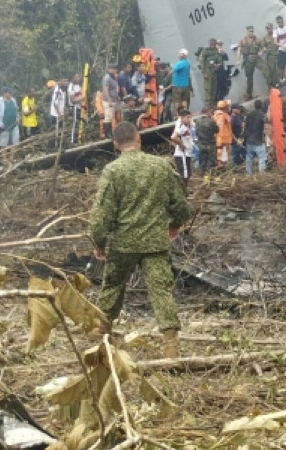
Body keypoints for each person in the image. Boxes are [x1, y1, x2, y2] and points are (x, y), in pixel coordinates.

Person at [89, 122, 191, 359]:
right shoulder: (161, 166)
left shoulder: (113, 171)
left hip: (123, 243)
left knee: (113, 285)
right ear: (139, 139)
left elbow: (102, 212)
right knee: (161, 291)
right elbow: (179, 203)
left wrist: (98, 242)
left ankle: (101, 330)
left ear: (116, 144)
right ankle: (170, 345)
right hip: (155, 242)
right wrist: (175, 224)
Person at [197, 39, 223, 109]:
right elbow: (201, 61)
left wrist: (218, 65)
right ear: (209, 44)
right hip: (207, 71)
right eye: (211, 45)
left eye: (214, 45)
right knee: (208, 89)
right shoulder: (205, 51)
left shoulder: (216, 51)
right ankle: (208, 105)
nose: (213, 46)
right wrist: (204, 72)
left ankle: (212, 103)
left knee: (214, 88)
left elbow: (219, 60)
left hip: (214, 71)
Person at [169, 110, 195, 182]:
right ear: (182, 118)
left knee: (188, 174)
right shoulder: (181, 126)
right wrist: (181, 144)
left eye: (190, 118)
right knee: (184, 175)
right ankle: (183, 190)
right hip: (182, 154)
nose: (189, 119)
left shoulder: (189, 125)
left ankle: (185, 190)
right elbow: (173, 137)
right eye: (187, 118)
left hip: (187, 153)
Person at [244, 100, 268, 174]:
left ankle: (248, 173)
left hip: (249, 139)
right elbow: (266, 124)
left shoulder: (249, 114)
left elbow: (245, 126)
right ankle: (261, 173)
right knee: (262, 156)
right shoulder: (262, 115)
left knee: (249, 157)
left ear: (254, 106)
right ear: (261, 106)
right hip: (258, 139)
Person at [237, 26, 261, 100]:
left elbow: (262, 47)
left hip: (256, 58)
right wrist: (237, 60)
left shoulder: (257, 39)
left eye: (252, 31)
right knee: (249, 77)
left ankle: (271, 86)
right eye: (250, 31)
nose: (251, 32)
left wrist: (261, 51)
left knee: (265, 69)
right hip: (248, 59)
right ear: (247, 32)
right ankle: (249, 94)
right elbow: (239, 50)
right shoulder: (243, 40)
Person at [193, 108, 218, 177]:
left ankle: (201, 175)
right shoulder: (211, 121)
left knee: (202, 161)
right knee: (212, 162)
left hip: (201, 144)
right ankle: (211, 176)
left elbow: (196, 131)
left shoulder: (197, 122)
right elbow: (217, 130)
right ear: (208, 112)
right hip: (210, 144)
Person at [102, 64, 122, 136]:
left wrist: (117, 96)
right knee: (108, 117)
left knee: (111, 116)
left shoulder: (114, 77)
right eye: (113, 69)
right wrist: (109, 99)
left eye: (115, 69)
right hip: (108, 100)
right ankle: (107, 134)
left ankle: (111, 133)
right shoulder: (107, 77)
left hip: (114, 99)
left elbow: (115, 88)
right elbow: (105, 89)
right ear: (109, 69)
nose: (115, 70)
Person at [171, 49, 192, 116]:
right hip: (185, 85)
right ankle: (185, 113)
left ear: (183, 55)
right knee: (184, 100)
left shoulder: (180, 63)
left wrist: (167, 76)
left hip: (178, 85)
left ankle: (178, 114)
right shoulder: (187, 63)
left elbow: (173, 70)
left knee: (177, 101)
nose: (178, 54)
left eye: (179, 53)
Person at [214, 100, 233, 170]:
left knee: (223, 159)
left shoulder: (220, 114)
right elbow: (220, 128)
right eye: (228, 106)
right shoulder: (221, 116)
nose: (229, 107)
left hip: (223, 140)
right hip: (222, 141)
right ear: (225, 107)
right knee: (221, 160)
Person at [67, 73, 85, 144]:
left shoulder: (78, 85)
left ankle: (79, 138)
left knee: (80, 122)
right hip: (74, 107)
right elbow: (73, 100)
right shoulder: (71, 87)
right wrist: (82, 98)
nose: (78, 78)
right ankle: (72, 140)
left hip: (80, 107)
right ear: (72, 79)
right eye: (76, 77)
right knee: (75, 123)